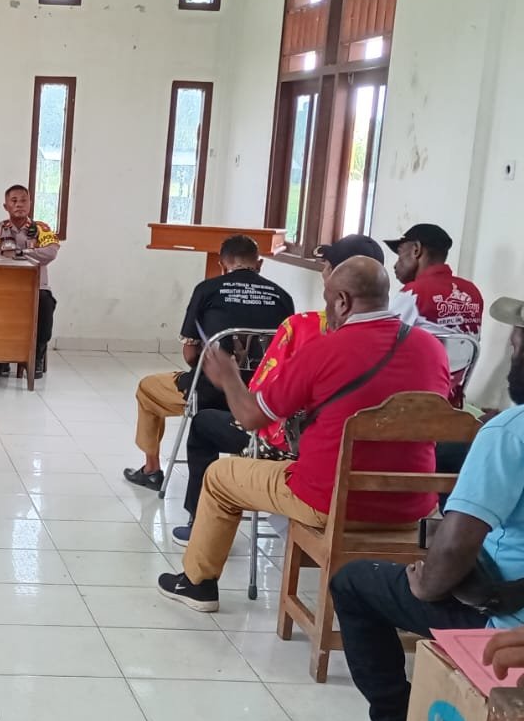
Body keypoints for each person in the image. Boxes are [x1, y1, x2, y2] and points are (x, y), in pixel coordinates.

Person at [158, 257, 450, 613]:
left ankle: (197, 585)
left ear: (342, 301)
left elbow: (251, 417)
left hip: (331, 501)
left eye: (328, 301)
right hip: (414, 507)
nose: (327, 312)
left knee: (221, 476)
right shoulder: (432, 349)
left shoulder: (324, 350)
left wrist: (229, 378)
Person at [331, 296, 524, 721]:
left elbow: (456, 546)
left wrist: (427, 584)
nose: (512, 349)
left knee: (352, 583)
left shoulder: (510, 432)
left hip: (504, 620)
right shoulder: (432, 349)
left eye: (517, 341)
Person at [176, 234, 386, 543]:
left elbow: (256, 409)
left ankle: (198, 537)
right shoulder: (424, 346)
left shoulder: (306, 330)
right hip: (388, 488)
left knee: (205, 429)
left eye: (326, 267)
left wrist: (229, 377)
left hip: (304, 464)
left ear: (339, 290)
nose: (323, 273)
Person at [123, 234, 294, 492]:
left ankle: (151, 469)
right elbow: (285, 353)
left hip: (210, 392)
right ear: (259, 264)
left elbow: (191, 354)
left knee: (147, 388)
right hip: (261, 398)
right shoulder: (283, 296)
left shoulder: (208, 289)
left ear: (222, 265)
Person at [388, 222, 484, 407]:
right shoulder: (472, 292)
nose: (395, 265)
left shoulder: (413, 293)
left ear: (416, 250)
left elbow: (382, 347)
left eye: (400, 255)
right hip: (451, 399)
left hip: (411, 399)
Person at [0, 185, 61, 379]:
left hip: (36, 287)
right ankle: (0, 359)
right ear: (6, 206)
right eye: (14, 201)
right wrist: (33, 255)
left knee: (46, 304)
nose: (19, 204)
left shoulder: (41, 228)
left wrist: (19, 253)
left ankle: (37, 356)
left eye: (23, 200)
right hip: (7, 288)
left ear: (30, 203)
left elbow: (50, 253)